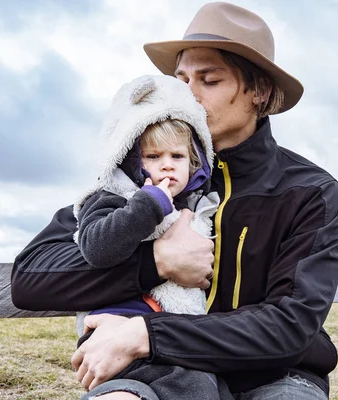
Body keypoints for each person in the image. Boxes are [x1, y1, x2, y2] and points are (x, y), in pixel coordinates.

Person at [11, 2, 338, 400]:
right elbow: (32, 278)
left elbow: (287, 327)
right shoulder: (138, 172)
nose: (186, 95)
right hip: (162, 375)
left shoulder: (309, 191)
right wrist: (156, 261)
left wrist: (146, 334)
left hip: (277, 377)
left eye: (209, 80)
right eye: (181, 79)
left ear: (259, 90)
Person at [71, 74, 222, 399]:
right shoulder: (113, 197)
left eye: (177, 157)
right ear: (130, 159)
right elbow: (97, 248)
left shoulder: (200, 207)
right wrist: (147, 207)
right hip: (114, 325)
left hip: (168, 332)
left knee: (204, 383)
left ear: (195, 160)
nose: (167, 166)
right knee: (192, 385)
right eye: (153, 157)